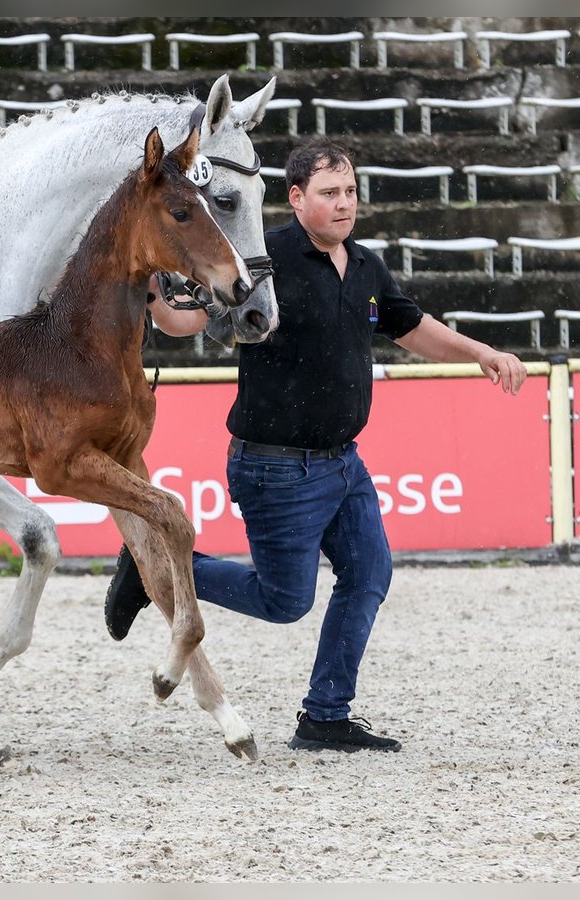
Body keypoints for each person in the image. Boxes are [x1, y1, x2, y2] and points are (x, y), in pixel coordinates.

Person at [109, 137, 527, 753]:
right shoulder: (262, 253)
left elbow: (412, 328)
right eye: (329, 193)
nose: (344, 205)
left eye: (350, 192)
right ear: (296, 197)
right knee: (284, 602)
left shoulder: (363, 265)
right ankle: (154, 571)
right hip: (274, 466)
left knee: (369, 573)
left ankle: (325, 716)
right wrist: (148, 283)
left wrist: (484, 354)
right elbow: (185, 322)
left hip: (343, 463)